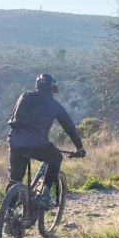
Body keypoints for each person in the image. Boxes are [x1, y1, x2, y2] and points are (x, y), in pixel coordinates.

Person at [6, 73, 86, 207]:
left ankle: (8, 217)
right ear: (52, 89)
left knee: (15, 180)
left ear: (37, 86)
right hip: (39, 145)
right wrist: (80, 149)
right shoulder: (54, 105)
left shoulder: (25, 96)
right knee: (56, 157)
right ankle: (45, 194)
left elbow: (13, 118)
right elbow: (70, 129)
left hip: (16, 143)